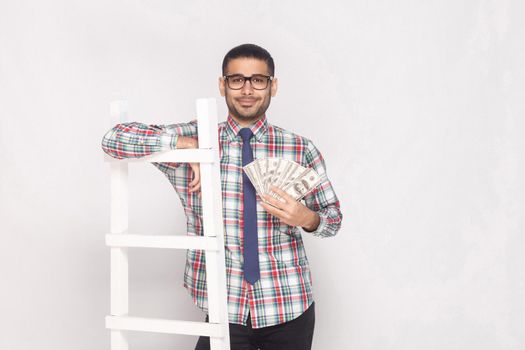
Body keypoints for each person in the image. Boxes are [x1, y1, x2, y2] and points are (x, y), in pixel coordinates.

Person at [101, 43, 342, 350]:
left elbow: (333, 218)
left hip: (288, 304)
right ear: (222, 84)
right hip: (223, 310)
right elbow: (114, 139)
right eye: (237, 79)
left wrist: (306, 218)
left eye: (258, 80)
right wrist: (187, 146)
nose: (247, 89)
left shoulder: (299, 148)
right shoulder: (197, 140)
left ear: (273, 85)